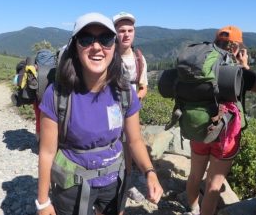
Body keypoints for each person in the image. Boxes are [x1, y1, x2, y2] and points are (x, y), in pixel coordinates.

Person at [36, 12, 163, 215]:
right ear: (75, 47)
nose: (96, 47)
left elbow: (135, 141)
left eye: (105, 39)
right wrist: (43, 202)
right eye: (86, 39)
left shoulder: (124, 92)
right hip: (72, 184)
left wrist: (150, 172)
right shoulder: (58, 94)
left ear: (114, 46)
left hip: (114, 181)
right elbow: (47, 152)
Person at [184, 26, 256, 215]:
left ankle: (192, 208)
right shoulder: (239, 72)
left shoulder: (201, 64)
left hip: (199, 126)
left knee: (195, 174)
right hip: (226, 134)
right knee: (214, 183)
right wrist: (245, 65)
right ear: (238, 47)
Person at [113, 11, 150, 203]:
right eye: (121, 30)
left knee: (128, 148)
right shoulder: (107, 55)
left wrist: (133, 101)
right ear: (115, 33)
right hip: (108, 112)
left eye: (130, 30)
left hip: (129, 113)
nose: (126, 34)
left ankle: (125, 185)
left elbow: (143, 87)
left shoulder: (139, 58)